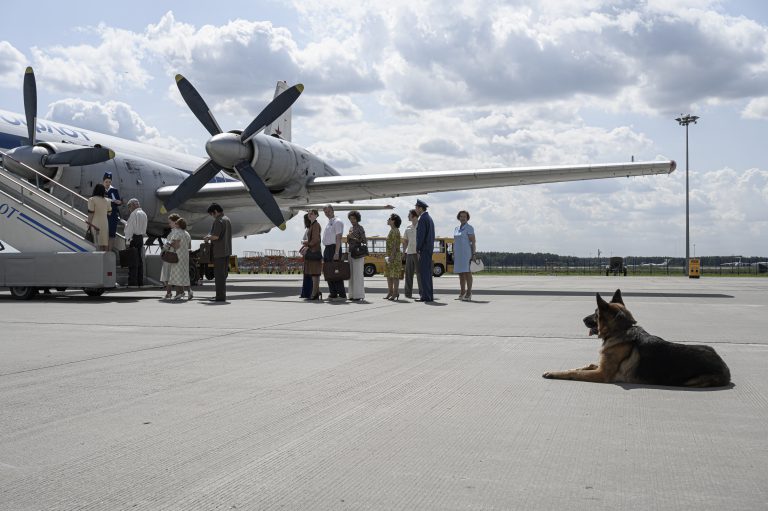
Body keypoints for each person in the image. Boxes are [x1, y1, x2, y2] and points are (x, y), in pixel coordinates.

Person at [203, 203, 232, 302]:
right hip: (226, 251)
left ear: (215, 211)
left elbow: (215, 236)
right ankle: (221, 295)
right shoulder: (227, 219)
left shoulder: (218, 221)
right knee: (222, 275)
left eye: (212, 214)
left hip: (219, 252)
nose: (212, 216)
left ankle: (220, 297)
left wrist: (207, 238)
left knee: (219, 276)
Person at [322, 205, 346, 300]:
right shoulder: (329, 222)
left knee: (336, 271)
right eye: (325, 212)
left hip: (334, 248)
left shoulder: (337, 222)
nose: (327, 213)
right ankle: (333, 293)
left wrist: (336, 253)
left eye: (328, 211)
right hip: (327, 248)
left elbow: (338, 238)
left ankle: (342, 294)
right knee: (328, 271)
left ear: (333, 211)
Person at [164, 217, 191, 300]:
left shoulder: (177, 233)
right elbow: (189, 246)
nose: (174, 224)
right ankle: (190, 292)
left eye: (176, 223)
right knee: (185, 274)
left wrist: (167, 245)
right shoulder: (187, 233)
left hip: (177, 255)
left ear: (178, 225)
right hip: (185, 256)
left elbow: (176, 245)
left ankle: (179, 293)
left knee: (176, 274)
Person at [453, 210, 477, 301]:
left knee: (467, 273)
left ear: (467, 218)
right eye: (461, 216)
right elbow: (455, 241)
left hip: (466, 254)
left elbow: (473, 242)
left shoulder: (469, 228)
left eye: (464, 217)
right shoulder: (456, 228)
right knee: (460, 274)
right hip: (458, 254)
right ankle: (462, 292)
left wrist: (474, 253)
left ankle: (469, 292)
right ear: (458, 217)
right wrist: (454, 253)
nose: (462, 218)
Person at [124, 198, 148, 288]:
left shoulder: (134, 214)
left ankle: (132, 282)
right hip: (140, 238)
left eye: (129, 207)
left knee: (132, 260)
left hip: (133, 238)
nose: (129, 209)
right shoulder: (143, 213)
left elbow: (130, 229)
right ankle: (140, 281)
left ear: (132, 205)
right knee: (139, 260)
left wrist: (128, 241)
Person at [415, 199, 435, 302]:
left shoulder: (422, 219)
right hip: (429, 249)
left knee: (424, 273)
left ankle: (426, 296)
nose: (415, 210)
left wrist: (418, 249)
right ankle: (429, 295)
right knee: (427, 274)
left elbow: (421, 236)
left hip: (424, 250)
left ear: (420, 208)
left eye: (416, 208)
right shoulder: (429, 218)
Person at [303, 209, 323, 300]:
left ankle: (314, 294)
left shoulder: (315, 225)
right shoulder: (312, 225)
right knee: (313, 274)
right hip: (312, 251)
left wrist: (308, 246)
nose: (309, 215)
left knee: (315, 274)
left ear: (316, 215)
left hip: (314, 251)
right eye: (309, 214)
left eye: (312, 214)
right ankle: (316, 292)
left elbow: (316, 239)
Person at [346, 210, 367, 301]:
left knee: (358, 274)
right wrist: (348, 237)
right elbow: (349, 241)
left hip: (358, 254)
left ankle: (358, 295)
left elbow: (364, 241)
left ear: (357, 219)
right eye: (350, 218)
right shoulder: (351, 228)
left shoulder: (360, 228)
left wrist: (353, 238)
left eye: (353, 218)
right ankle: (352, 295)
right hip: (351, 252)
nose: (352, 220)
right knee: (351, 275)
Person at [160, 214, 181, 299]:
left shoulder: (175, 232)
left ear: (175, 222)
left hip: (170, 255)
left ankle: (171, 293)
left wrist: (165, 247)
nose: (169, 224)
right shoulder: (178, 232)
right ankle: (174, 293)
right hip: (173, 255)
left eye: (170, 222)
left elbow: (173, 244)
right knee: (171, 276)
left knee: (168, 276)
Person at [384, 213, 403, 301]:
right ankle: (390, 292)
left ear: (393, 221)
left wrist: (391, 256)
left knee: (395, 276)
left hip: (394, 256)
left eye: (389, 219)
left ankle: (395, 293)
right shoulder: (391, 230)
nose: (388, 220)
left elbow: (395, 245)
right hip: (389, 256)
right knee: (389, 275)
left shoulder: (396, 231)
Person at [86, 184, 110, 251]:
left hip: (95, 223)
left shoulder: (92, 199)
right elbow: (109, 212)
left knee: (97, 241)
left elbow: (91, 213)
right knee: (104, 242)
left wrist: (88, 224)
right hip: (105, 223)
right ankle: (105, 258)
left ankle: (98, 258)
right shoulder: (107, 200)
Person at [402, 209, 420, 299]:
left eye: (409, 215)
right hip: (409, 253)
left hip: (418, 253)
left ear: (414, 216)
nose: (408, 216)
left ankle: (422, 293)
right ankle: (408, 293)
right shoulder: (408, 227)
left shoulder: (421, 226)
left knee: (419, 274)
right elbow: (405, 241)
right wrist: (403, 252)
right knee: (408, 274)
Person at [102, 172, 122, 252]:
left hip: (112, 216)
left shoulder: (114, 190)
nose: (108, 183)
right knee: (104, 234)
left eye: (109, 182)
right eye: (106, 182)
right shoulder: (100, 189)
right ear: (103, 181)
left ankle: (109, 251)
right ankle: (104, 251)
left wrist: (117, 201)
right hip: (103, 215)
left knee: (111, 234)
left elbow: (119, 202)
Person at [299, 213, 313, 299]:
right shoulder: (308, 229)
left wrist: (304, 242)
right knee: (307, 274)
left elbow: (306, 240)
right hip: (307, 253)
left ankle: (308, 292)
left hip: (310, 253)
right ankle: (305, 292)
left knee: (308, 274)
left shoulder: (310, 229)